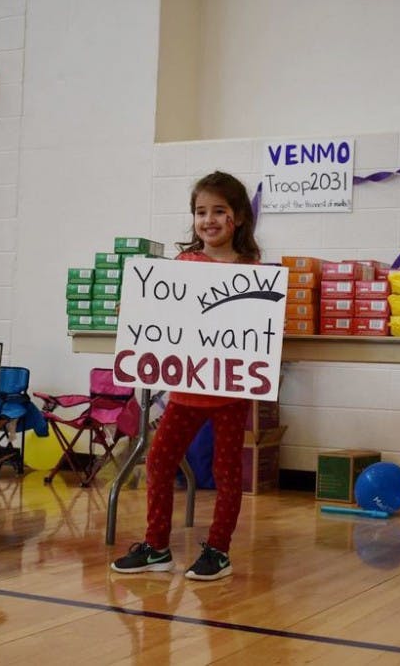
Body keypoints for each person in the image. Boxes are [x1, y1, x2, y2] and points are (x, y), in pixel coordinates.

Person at [111, 171, 261, 581]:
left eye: (219, 211)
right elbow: (163, 314)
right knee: (160, 459)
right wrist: (135, 309)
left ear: (238, 217)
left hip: (229, 390)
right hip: (187, 387)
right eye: (200, 212)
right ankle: (157, 547)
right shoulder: (184, 265)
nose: (208, 220)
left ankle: (219, 551)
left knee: (227, 472)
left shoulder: (252, 271)